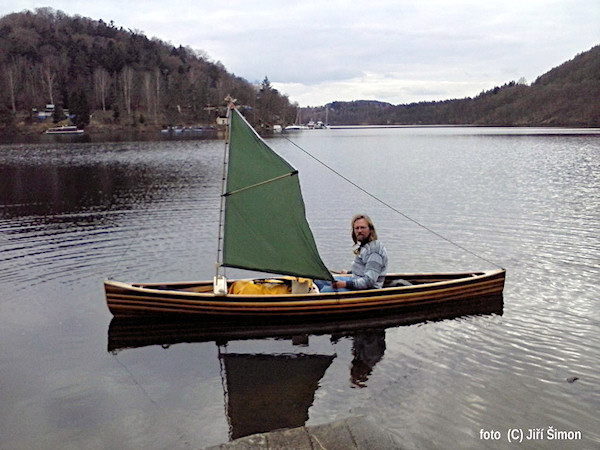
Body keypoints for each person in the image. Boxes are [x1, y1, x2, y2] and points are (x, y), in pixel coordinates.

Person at [318, 214, 388, 292]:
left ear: (370, 229)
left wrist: (344, 284)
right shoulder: (366, 246)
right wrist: (348, 272)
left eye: (362, 227)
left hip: (366, 290)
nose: (359, 231)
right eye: (357, 228)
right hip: (355, 280)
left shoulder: (374, 252)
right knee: (319, 280)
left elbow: (369, 281)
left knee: (325, 291)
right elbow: (364, 269)